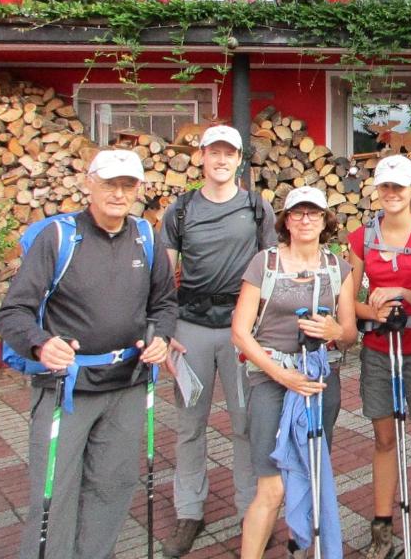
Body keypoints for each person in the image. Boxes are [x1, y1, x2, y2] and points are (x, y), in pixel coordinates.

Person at [0, 149, 177, 559]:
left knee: (112, 487)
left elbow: (164, 304)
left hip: (127, 384)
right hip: (67, 387)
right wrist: (41, 343)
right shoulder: (58, 237)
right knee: (54, 495)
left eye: (127, 185)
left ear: (138, 190)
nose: (118, 193)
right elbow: (13, 311)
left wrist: (161, 336)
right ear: (89, 184)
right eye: (109, 183)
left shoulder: (146, 236)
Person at [161, 124, 277, 557]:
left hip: (240, 328)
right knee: (190, 425)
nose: (222, 160)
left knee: (246, 423)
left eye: (230, 153)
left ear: (239, 159)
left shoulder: (256, 207)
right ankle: (190, 511)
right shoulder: (182, 210)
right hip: (190, 327)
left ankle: (253, 511)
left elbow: (271, 269)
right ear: (202, 156)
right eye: (214, 153)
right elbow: (162, 276)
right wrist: (165, 331)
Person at [231, 186, 357, 558]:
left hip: (318, 379)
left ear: (325, 220)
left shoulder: (338, 268)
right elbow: (240, 332)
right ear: (285, 221)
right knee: (272, 487)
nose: (305, 220)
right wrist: (279, 375)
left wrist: (336, 332)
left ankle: (306, 549)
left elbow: (349, 333)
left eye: (313, 213)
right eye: (298, 213)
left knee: (313, 475)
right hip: (271, 378)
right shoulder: (264, 263)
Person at [349, 155, 411, 559]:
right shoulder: (362, 237)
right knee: (383, 438)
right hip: (379, 350)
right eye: (385, 187)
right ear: (378, 191)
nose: (392, 194)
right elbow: (348, 304)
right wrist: (372, 311)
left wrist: (402, 295)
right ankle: (382, 528)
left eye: (399, 187)